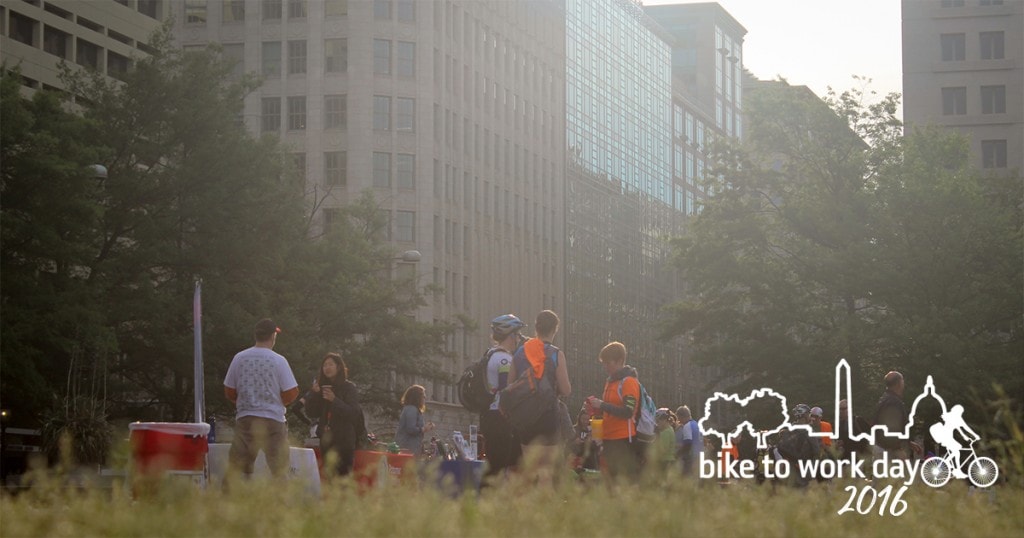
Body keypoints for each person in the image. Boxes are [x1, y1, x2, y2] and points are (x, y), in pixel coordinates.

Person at [223, 318, 299, 481]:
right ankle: (279, 503)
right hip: (273, 420)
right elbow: (292, 391)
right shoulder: (278, 360)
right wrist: (279, 402)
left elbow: (229, 390)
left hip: (246, 418)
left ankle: (234, 501)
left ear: (256, 336)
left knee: (238, 467)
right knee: (279, 469)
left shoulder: (239, 358)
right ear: (273, 336)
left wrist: (241, 402)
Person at [510, 310, 572, 480]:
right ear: (555, 329)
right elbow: (566, 389)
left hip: (525, 419)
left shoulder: (520, 352)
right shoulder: (555, 354)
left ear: (536, 328)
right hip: (548, 418)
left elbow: (510, 385)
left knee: (529, 472)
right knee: (547, 474)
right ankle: (545, 505)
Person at [586, 341, 643, 483]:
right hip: (608, 437)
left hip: (624, 439)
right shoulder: (610, 382)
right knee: (609, 480)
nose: (605, 366)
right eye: (603, 363)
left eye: (608, 363)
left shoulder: (629, 382)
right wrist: (595, 407)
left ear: (619, 361)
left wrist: (602, 404)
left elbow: (628, 412)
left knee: (622, 481)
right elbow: (608, 410)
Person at [302, 352, 364, 476]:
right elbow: (311, 412)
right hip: (326, 440)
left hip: (344, 442)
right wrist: (314, 394)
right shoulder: (322, 388)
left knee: (343, 480)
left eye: (330, 364)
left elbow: (353, 413)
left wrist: (334, 400)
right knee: (329, 480)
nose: (327, 368)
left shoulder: (349, 387)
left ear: (339, 367)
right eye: (324, 365)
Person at [480, 314, 525, 478]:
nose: (519, 339)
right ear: (511, 335)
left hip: (489, 415)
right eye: (517, 335)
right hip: (500, 417)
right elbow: (506, 389)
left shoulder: (491, 354)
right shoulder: (504, 359)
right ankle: (487, 500)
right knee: (498, 467)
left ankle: (488, 499)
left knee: (496, 465)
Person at [774, 403, 818, 488]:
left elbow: (781, 448)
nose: (810, 417)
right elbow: (816, 450)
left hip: (790, 468)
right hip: (805, 468)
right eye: (809, 414)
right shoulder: (809, 430)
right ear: (804, 415)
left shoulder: (789, 429)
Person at [873, 371, 911, 460]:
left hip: (882, 448)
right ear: (899, 383)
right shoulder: (893, 402)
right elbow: (891, 428)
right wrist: (897, 449)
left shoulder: (884, 399)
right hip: (889, 451)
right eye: (902, 381)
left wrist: (908, 442)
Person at [395, 384, 434, 455]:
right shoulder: (411, 409)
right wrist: (424, 429)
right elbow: (410, 429)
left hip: (412, 448)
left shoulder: (413, 409)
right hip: (407, 449)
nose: (424, 399)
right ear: (417, 397)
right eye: (423, 397)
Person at [569, 407, 600, 475]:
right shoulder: (573, 429)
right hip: (577, 461)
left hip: (591, 462)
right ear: (579, 418)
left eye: (587, 419)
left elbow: (598, 447)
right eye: (583, 419)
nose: (585, 421)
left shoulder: (593, 430)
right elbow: (567, 446)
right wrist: (574, 443)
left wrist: (591, 442)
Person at [675, 405, 703, 477]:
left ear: (683, 416)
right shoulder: (696, 424)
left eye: (679, 418)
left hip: (691, 457)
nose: (679, 421)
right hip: (699, 456)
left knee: (686, 477)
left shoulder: (687, 426)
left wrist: (677, 454)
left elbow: (688, 444)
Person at [653, 408, 678, 475]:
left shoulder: (665, 432)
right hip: (669, 460)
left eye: (658, 421)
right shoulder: (670, 429)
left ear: (664, 420)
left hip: (665, 461)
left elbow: (663, 450)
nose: (657, 424)